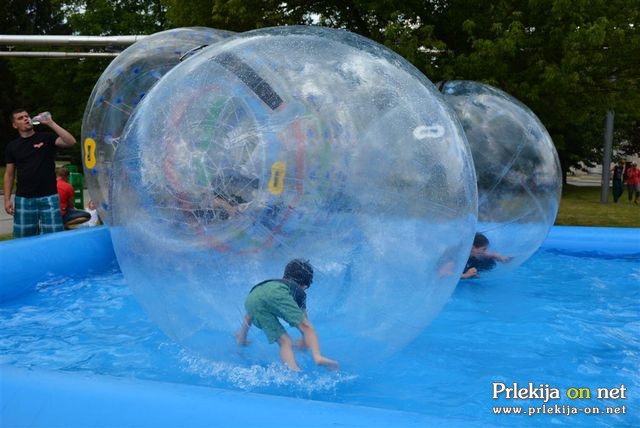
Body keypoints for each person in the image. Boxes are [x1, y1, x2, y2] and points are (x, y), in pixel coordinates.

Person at [236, 259, 339, 371]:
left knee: (284, 341)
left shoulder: (273, 283)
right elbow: (305, 324)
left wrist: (242, 338)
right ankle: (318, 357)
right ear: (304, 285)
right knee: (308, 328)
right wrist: (305, 342)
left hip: (252, 297)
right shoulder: (297, 290)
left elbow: (248, 317)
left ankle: (293, 370)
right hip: (276, 293)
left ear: (285, 275)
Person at [4, 109, 77, 237]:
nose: (26, 119)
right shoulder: (12, 146)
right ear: (15, 125)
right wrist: (6, 199)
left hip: (49, 197)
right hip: (24, 198)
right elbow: (9, 174)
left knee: (54, 237)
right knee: (23, 238)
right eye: (20, 118)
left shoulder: (46, 137)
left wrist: (50, 122)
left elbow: (71, 141)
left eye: (27, 116)